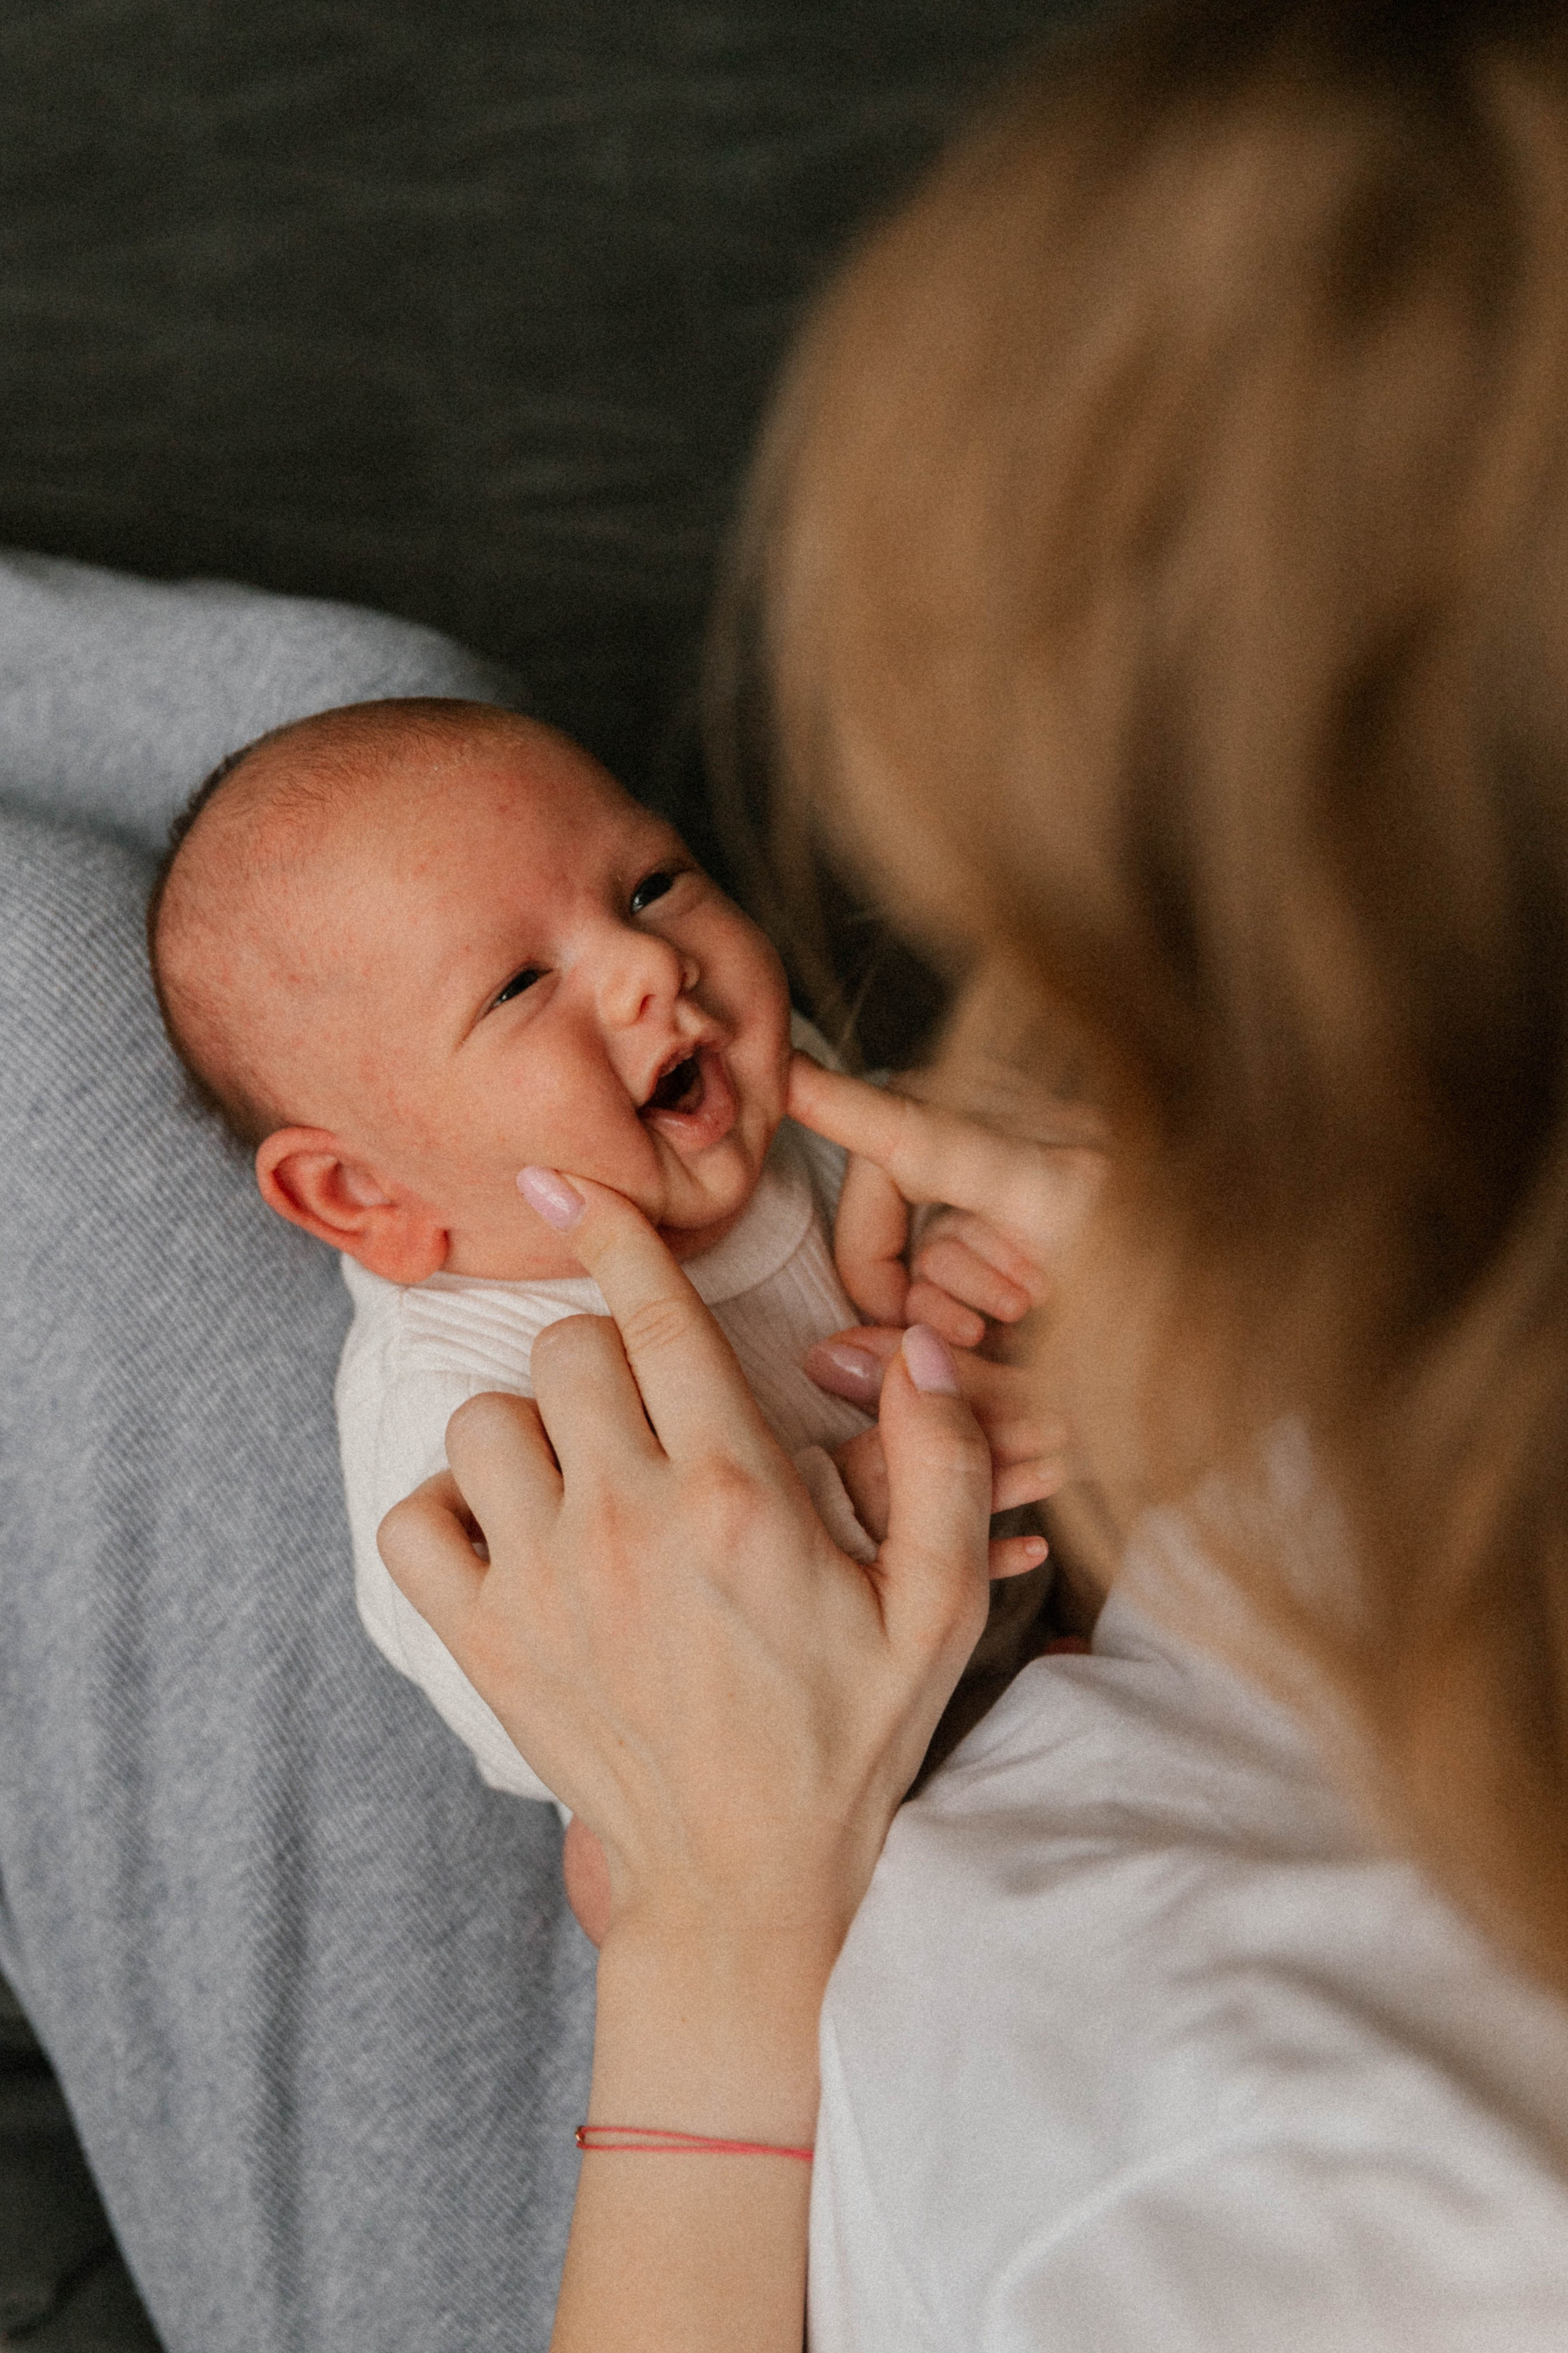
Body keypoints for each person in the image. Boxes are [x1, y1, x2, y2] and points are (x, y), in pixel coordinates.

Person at [380, 1, 1568, 2346]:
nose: (655, 988)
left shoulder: (1274, 2201)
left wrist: (721, 1944)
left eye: (651, 896)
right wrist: (1264, 1336)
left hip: (746, 2129)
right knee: (356, 739)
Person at [145, 697, 1058, 1821]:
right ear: (363, 1190)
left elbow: (958, 1195)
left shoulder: (752, 1091)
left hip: (1078, 1650)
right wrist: (846, 1509)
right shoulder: (461, 1406)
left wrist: (974, 1249)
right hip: (852, 1840)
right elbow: (549, 1712)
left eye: (651, 884)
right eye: (522, 985)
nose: (650, 964)